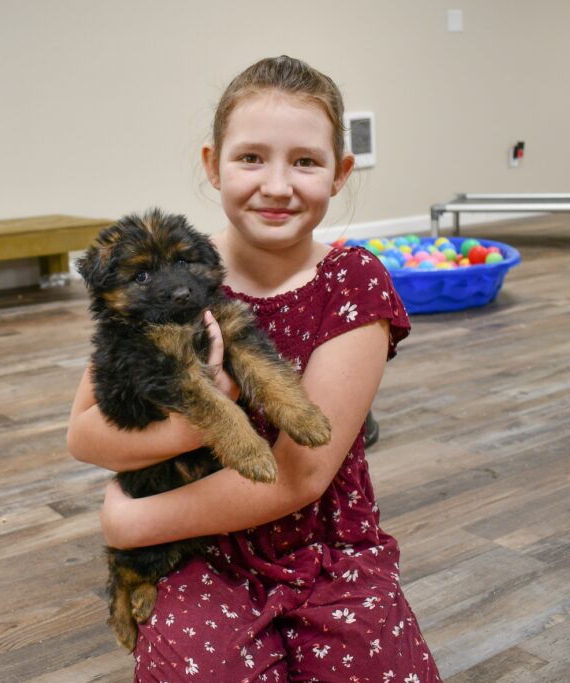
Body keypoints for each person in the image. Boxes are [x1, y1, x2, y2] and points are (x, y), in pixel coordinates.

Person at [68, 55, 440, 682]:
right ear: (212, 164)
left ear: (340, 172)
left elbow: (301, 475)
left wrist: (133, 520)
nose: (276, 184)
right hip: (202, 546)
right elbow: (83, 435)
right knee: (198, 669)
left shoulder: (352, 283)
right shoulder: (172, 272)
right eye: (251, 158)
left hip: (325, 547)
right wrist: (199, 421)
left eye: (305, 161)